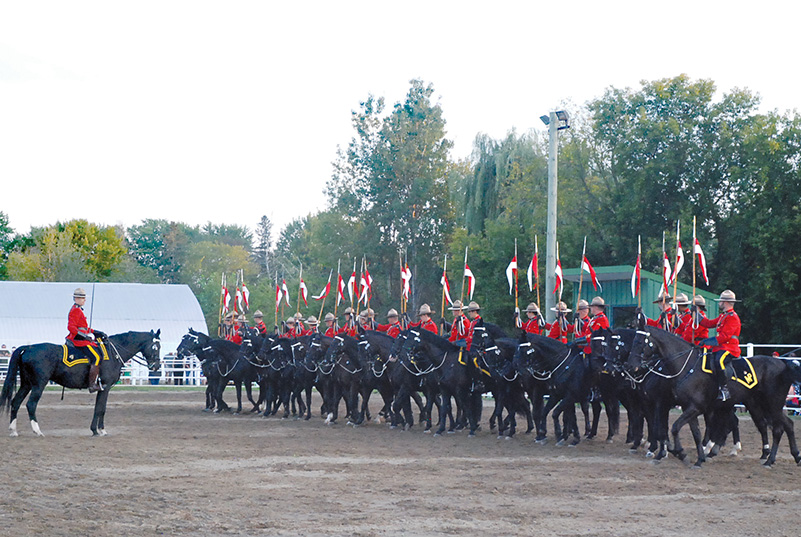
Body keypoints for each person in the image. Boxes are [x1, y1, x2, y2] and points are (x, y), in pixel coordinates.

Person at [698, 289, 742, 401]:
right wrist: (696, 315)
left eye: (720, 301)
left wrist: (708, 341)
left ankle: (724, 389)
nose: (719, 303)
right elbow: (709, 323)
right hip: (720, 347)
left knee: (719, 361)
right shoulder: (724, 316)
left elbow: (725, 336)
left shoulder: (732, 317)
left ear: (725, 302)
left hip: (730, 347)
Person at [66, 287, 109, 393]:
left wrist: (95, 331)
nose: (84, 300)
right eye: (82, 298)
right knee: (97, 357)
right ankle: (92, 385)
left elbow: (83, 328)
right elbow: (71, 328)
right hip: (78, 340)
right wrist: (84, 336)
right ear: (76, 299)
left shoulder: (78, 310)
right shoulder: (75, 310)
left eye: (84, 298)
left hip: (82, 338)